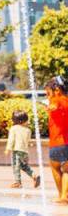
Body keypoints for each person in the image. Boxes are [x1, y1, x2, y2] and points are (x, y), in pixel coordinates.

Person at [45, 76, 68, 204]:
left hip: (57, 143)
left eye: (48, 93)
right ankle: (64, 195)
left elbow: (56, 104)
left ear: (57, 90)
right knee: (66, 169)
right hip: (64, 142)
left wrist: (52, 106)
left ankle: (62, 195)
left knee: (57, 169)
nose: (48, 96)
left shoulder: (58, 100)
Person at [5, 110, 41, 189]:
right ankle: (34, 176)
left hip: (17, 151)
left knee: (16, 166)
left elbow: (11, 140)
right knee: (24, 166)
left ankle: (18, 182)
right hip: (25, 152)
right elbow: (28, 141)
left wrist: (8, 148)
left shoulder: (14, 128)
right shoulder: (28, 130)